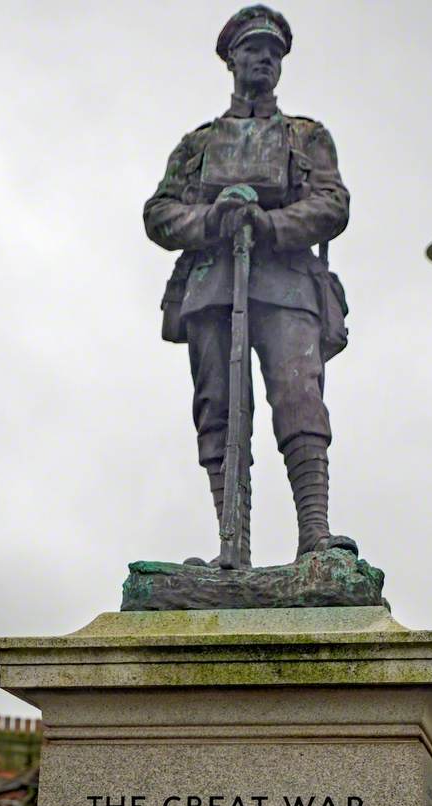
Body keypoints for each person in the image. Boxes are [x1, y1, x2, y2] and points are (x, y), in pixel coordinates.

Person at [144, 5, 357, 566]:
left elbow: (332, 204)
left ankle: (315, 534)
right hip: (213, 285)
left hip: (286, 282)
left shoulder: (306, 137)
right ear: (231, 58)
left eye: (274, 52)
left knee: (299, 397)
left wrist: (270, 223)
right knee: (219, 408)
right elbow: (159, 213)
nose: (264, 59)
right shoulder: (197, 144)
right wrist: (212, 218)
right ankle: (230, 546)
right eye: (253, 49)